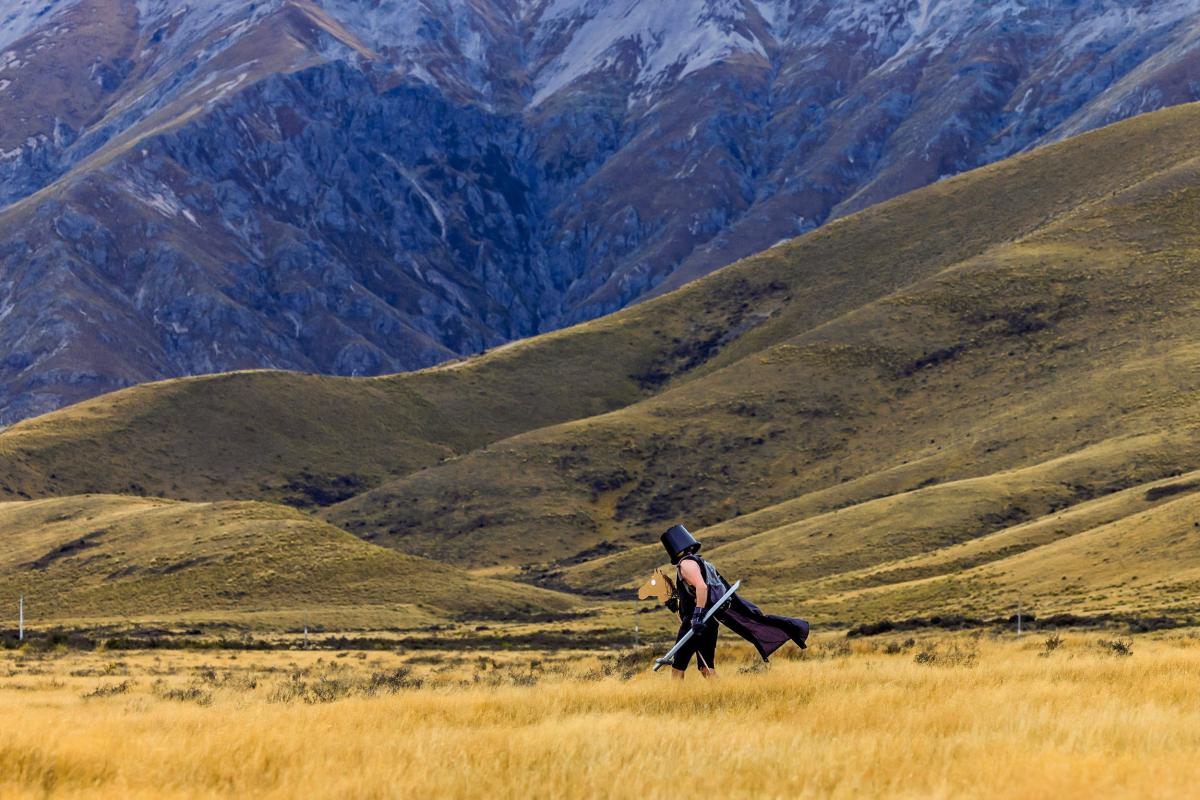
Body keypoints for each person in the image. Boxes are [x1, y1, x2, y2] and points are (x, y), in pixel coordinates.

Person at [662, 523, 810, 679]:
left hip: (695, 623)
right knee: (706, 668)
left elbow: (702, 587)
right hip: (709, 622)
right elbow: (693, 593)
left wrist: (697, 616)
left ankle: (677, 699)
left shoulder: (686, 564)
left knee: (678, 667)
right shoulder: (701, 563)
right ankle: (723, 694)